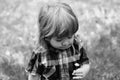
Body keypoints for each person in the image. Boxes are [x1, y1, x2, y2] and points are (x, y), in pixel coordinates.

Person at [26, 2, 90, 80]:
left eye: (70, 37)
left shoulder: (76, 45)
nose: (66, 43)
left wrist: (83, 70)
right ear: (47, 37)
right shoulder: (41, 54)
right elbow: (34, 75)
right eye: (59, 40)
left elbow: (85, 63)